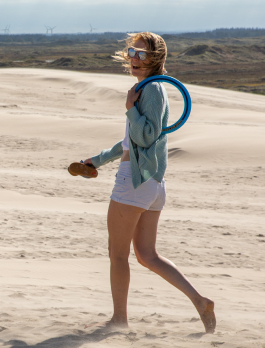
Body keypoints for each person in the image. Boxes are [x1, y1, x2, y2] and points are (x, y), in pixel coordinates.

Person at [80, 32, 216, 333]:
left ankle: (119, 320)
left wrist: (129, 107)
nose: (135, 59)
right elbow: (131, 141)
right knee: (147, 255)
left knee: (118, 255)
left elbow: (145, 135)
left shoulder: (152, 90)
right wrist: (98, 160)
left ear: (156, 59)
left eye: (142, 54)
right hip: (152, 184)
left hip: (134, 182)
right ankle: (200, 301)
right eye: (132, 52)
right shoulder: (149, 88)